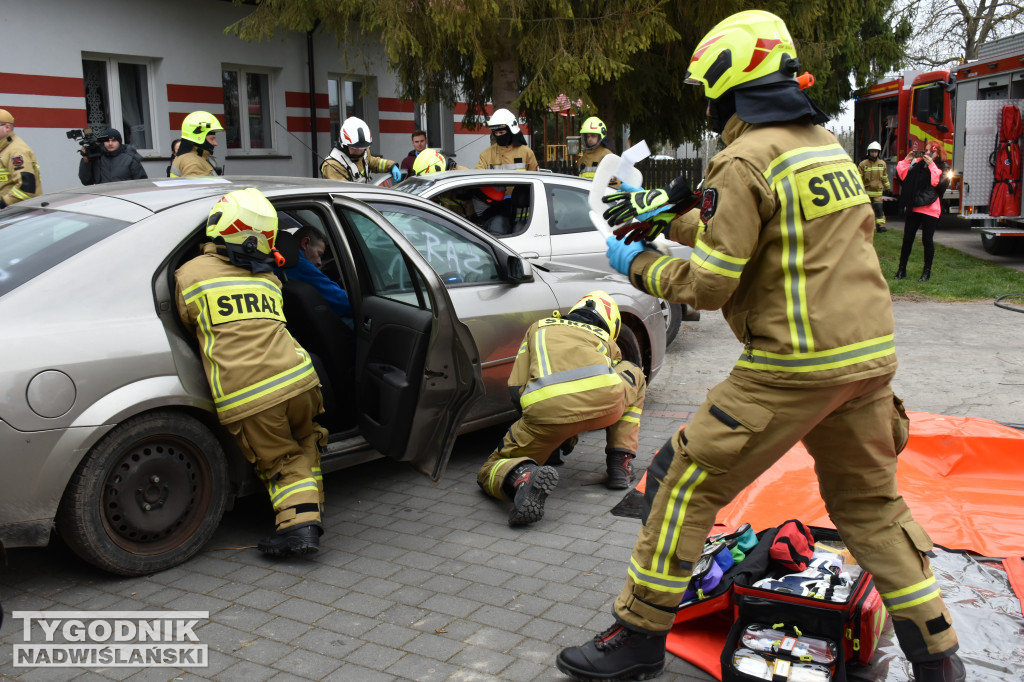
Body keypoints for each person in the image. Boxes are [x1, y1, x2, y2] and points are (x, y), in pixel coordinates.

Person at [558, 10, 964, 682]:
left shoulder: (743, 156)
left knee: (687, 485)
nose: (710, 106)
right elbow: (778, 241)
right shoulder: (822, 147)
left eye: (710, 92)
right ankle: (940, 658)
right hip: (865, 364)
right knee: (871, 508)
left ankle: (637, 635)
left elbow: (715, 283)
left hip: (792, 367)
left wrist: (634, 264)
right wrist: (677, 216)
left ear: (730, 83)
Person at [175, 188, 327, 556]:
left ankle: (298, 529)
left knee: (281, 461)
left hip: (253, 394)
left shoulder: (190, 275)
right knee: (306, 443)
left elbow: (185, 322)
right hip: (301, 379)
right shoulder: (268, 279)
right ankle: (313, 509)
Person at [477, 291, 645, 527]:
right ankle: (621, 463)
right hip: (606, 407)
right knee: (633, 372)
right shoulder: (606, 340)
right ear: (610, 324)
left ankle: (522, 477)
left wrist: (549, 439)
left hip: (547, 414)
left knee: (490, 469)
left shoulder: (538, 328)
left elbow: (516, 388)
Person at [895, 144, 944, 282]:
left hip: (931, 208)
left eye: (931, 150)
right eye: (926, 149)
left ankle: (926, 272)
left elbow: (935, 182)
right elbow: (902, 175)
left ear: (937, 153)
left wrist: (932, 165)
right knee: (907, 239)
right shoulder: (917, 164)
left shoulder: (940, 167)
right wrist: (907, 159)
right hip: (914, 205)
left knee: (927, 240)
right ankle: (901, 269)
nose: (927, 152)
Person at [283, 225, 352, 320]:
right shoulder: (300, 265)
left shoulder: (280, 262)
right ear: (305, 243)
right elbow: (344, 303)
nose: (319, 262)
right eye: (319, 254)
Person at [321, 116, 401, 184]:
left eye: (362, 148)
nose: (359, 151)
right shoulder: (332, 165)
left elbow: (373, 162)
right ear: (344, 144)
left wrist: (391, 166)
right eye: (355, 148)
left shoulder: (364, 151)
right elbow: (343, 194)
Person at [0, 108, 42, 209]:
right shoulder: (4, 148)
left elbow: (26, 188)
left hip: (20, 214)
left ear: (7, 127)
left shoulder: (16, 151)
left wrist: (3, 203)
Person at [78, 128, 147, 185]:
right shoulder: (97, 157)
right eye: (107, 141)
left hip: (125, 198)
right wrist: (86, 160)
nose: (110, 143)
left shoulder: (130, 157)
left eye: (113, 141)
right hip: (104, 198)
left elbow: (142, 183)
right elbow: (86, 181)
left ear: (119, 142)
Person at [170, 111, 224, 178]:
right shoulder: (192, 162)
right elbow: (199, 188)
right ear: (199, 138)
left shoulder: (195, 156)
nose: (215, 143)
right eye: (212, 139)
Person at [859, 140, 890, 232]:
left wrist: (887, 187)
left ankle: (881, 226)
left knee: (879, 209)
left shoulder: (882, 164)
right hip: (866, 192)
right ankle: (864, 227)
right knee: (865, 211)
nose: (874, 153)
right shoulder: (863, 164)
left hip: (877, 192)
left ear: (878, 152)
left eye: (875, 152)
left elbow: (884, 176)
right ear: (869, 152)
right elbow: (858, 178)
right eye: (872, 151)